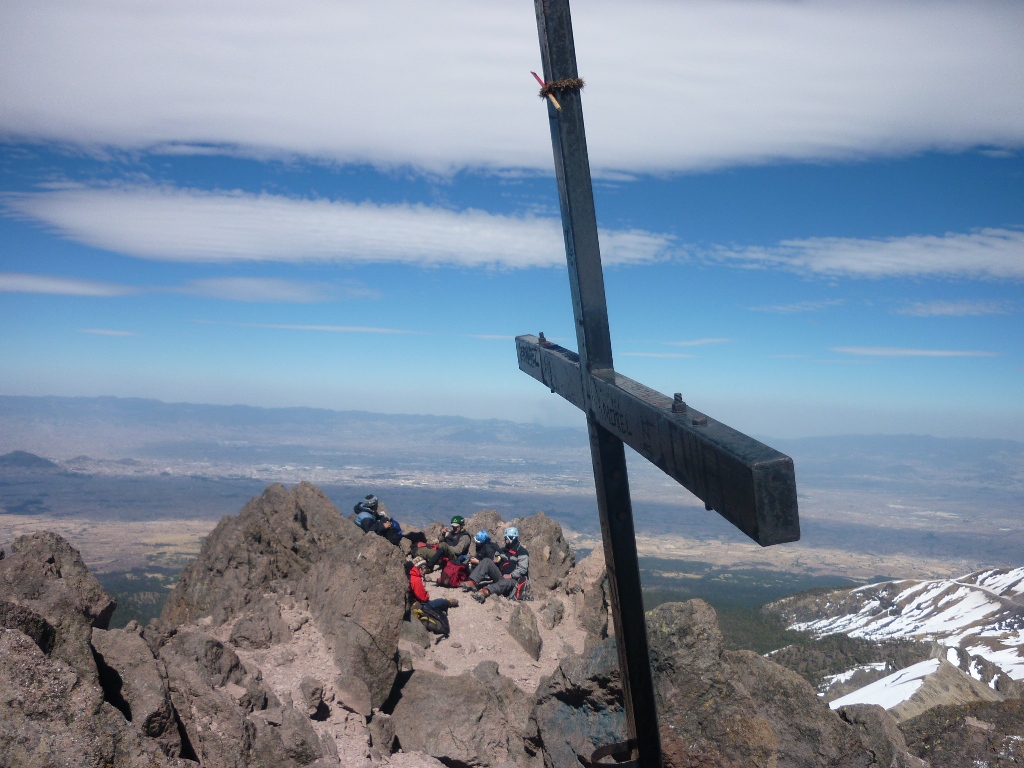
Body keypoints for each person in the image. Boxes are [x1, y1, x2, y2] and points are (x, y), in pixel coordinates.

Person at [470, 527, 529, 603]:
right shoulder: (502, 550)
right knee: (487, 561)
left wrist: (511, 575)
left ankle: (486, 591)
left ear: (512, 538)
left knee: (506, 582)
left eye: (506, 538)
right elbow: (497, 556)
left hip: (513, 580)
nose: (505, 540)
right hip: (500, 575)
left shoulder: (522, 552)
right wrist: (496, 560)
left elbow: (523, 569)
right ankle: (472, 582)